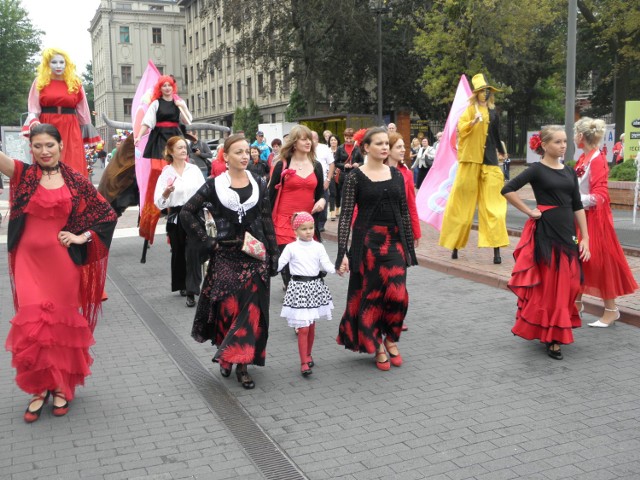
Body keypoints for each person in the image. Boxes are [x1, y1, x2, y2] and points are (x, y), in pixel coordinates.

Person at [2, 123, 117, 422]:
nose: (43, 151)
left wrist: (82, 237)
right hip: (28, 262)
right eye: (37, 146)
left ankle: (62, 386)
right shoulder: (23, 175)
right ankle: (39, 389)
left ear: (60, 146)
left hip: (62, 264)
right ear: (32, 149)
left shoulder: (76, 180)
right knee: (33, 324)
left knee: (60, 327)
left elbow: (106, 215)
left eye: (49, 145)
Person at [180, 134, 278, 389]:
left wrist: (274, 252)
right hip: (225, 256)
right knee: (228, 309)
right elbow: (186, 213)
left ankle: (243, 364)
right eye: (239, 152)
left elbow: (267, 219)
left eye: (247, 151)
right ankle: (227, 355)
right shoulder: (214, 185)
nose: (245, 156)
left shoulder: (259, 181)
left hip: (254, 256)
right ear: (225, 156)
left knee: (250, 311)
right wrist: (207, 241)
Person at [501, 125, 590, 360]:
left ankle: (555, 328)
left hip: (568, 232)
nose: (563, 146)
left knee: (569, 284)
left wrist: (586, 238)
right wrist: (529, 211)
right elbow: (507, 189)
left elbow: (577, 205)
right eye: (558, 142)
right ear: (544, 145)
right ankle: (553, 338)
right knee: (552, 285)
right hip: (546, 232)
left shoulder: (569, 172)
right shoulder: (537, 170)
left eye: (564, 141)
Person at [335, 127, 417, 370]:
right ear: (366, 147)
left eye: (386, 143)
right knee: (371, 297)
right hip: (368, 244)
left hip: (394, 243)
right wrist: (342, 253)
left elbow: (403, 211)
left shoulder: (396, 174)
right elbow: (346, 215)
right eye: (379, 143)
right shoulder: (354, 177)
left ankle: (390, 338)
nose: (384, 147)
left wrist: (409, 247)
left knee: (397, 295)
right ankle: (376, 345)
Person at [572, 118, 638, 327]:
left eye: (575, 134)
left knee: (600, 263)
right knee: (577, 261)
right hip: (581, 216)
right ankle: (576, 303)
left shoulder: (596, 159)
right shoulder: (584, 157)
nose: (573, 138)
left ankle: (611, 309)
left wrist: (573, 200)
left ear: (581, 137)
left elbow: (600, 195)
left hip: (594, 220)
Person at [439, 73, 509, 264]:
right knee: (461, 204)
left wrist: (502, 152)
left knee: (494, 206)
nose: (484, 94)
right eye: (481, 91)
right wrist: (474, 121)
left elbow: (496, 134)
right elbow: (460, 128)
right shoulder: (470, 110)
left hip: (490, 162)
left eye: (486, 91)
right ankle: (454, 244)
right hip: (470, 161)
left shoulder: (493, 112)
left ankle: (496, 251)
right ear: (476, 94)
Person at [23, 48, 101, 178]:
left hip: (71, 127)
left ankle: (75, 195)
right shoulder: (40, 82)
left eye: (61, 62)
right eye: (54, 62)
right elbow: (33, 108)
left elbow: (83, 112)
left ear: (67, 64)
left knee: (73, 162)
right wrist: (34, 120)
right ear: (48, 64)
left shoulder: (75, 83)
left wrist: (88, 131)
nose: (58, 65)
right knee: (47, 159)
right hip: (47, 126)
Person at [134, 75, 193, 242]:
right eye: (164, 85)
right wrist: (138, 136)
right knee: (160, 174)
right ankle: (156, 210)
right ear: (160, 88)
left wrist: (182, 106)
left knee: (182, 174)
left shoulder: (178, 103)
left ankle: (179, 215)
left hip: (175, 138)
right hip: (160, 140)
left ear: (173, 87)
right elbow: (147, 122)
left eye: (169, 85)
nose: (167, 88)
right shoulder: (156, 104)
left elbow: (188, 120)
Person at [278, 212, 335, 376]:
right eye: (304, 229)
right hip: (299, 288)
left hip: (315, 287)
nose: (308, 232)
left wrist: (337, 269)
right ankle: (303, 362)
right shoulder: (291, 248)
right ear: (295, 230)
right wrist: (265, 267)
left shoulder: (318, 246)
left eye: (311, 228)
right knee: (303, 328)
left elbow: (326, 264)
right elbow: (279, 265)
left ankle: (309, 354)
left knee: (311, 326)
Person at [269, 125, 326, 290]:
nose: (308, 142)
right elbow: (270, 197)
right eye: (303, 138)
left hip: (308, 223)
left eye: (309, 138)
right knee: (290, 271)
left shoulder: (316, 165)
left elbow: (321, 193)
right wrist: (265, 226)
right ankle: (294, 299)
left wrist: (322, 201)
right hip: (284, 223)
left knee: (309, 267)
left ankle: (305, 306)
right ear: (294, 142)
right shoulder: (283, 165)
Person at [154, 136, 206, 307]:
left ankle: (191, 290)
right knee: (179, 252)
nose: (184, 150)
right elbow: (159, 202)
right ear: (171, 151)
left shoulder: (194, 170)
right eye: (180, 148)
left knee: (193, 252)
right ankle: (181, 284)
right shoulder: (166, 173)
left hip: (194, 214)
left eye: (185, 147)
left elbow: (204, 193)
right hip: (176, 216)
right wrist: (166, 193)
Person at [334, 128, 364, 217]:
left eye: (350, 138)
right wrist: (344, 165)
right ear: (344, 137)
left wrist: (358, 164)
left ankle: (354, 213)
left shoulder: (357, 148)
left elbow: (362, 161)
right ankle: (344, 214)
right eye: (347, 138)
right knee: (344, 195)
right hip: (344, 175)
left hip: (355, 174)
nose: (348, 140)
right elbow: (336, 162)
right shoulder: (340, 148)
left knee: (355, 194)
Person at [311, 131, 335, 232]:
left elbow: (331, 164)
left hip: (323, 181)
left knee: (323, 201)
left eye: (313, 138)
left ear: (317, 138)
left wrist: (328, 180)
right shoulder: (306, 149)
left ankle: (321, 224)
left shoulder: (324, 148)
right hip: (310, 181)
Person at [328, 135, 340, 221]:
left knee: (338, 192)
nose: (333, 141)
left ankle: (337, 208)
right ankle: (332, 211)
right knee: (332, 192)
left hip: (340, 174)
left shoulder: (341, 150)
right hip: (330, 174)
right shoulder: (327, 151)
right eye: (331, 140)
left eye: (334, 140)